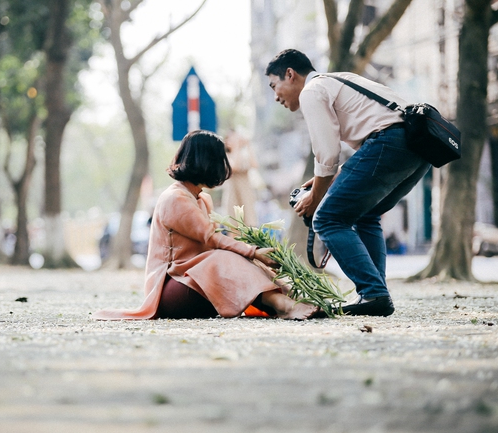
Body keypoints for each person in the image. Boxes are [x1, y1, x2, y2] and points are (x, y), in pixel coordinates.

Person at [265, 49, 431, 317]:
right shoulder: (338, 79)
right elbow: (371, 136)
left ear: (290, 74)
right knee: (366, 214)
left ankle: (373, 293)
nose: (275, 96)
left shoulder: (311, 90)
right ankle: (373, 294)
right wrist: (330, 179)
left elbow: (328, 153)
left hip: (390, 142)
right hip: (417, 146)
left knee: (327, 219)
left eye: (274, 86)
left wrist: (316, 197)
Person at [94, 130, 318, 321]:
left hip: (197, 282)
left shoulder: (200, 199)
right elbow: (211, 238)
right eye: (220, 160)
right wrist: (255, 252)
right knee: (224, 257)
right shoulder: (175, 199)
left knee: (231, 255)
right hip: (173, 287)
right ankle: (282, 305)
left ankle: (289, 300)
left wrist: (252, 254)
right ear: (206, 162)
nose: (224, 167)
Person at [222, 129, 261, 227]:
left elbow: (255, 165)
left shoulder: (244, 155)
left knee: (250, 224)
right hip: (233, 193)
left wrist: (248, 144)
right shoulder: (225, 157)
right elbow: (235, 166)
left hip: (246, 193)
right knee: (234, 225)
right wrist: (236, 147)